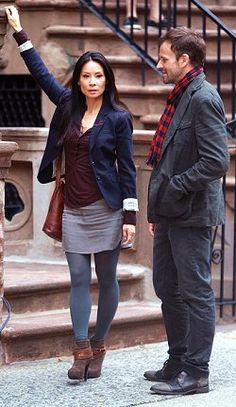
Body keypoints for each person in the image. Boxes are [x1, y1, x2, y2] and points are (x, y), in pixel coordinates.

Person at [6, 5, 138, 381]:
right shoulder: (67, 106)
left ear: (106, 80)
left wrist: (129, 216)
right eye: (86, 76)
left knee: (108, 280)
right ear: (78, 81)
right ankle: (80, 350)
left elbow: (127, 169)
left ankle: (99, 345)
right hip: (74, 210)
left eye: (98, 76)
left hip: (108, 209)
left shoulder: (118, 118)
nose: (93, 81)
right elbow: (42, 74)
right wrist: (20, 33)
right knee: (79, 278)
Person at [145, 27, 229, 395]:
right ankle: (178, 360)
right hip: (169, 212)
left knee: (195, 291)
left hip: (191, 212)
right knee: (166, 285)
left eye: (164, 58)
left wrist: (175, 187)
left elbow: (216, 160)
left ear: (184, 60)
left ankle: (197, 372)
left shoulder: (203, 97)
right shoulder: (181, 94)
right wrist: (159, 205)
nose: (158, 63)